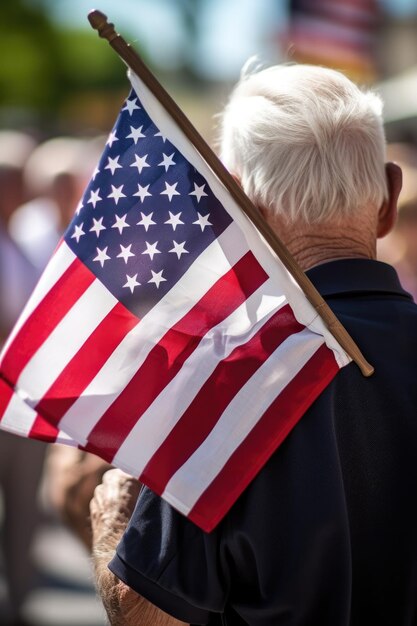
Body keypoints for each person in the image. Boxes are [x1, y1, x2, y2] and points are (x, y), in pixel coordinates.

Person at [89, 64, 417, 625]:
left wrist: (112, 523)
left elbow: (145, 615)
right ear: (389, 198)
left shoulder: (226, 377)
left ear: (238, 208)